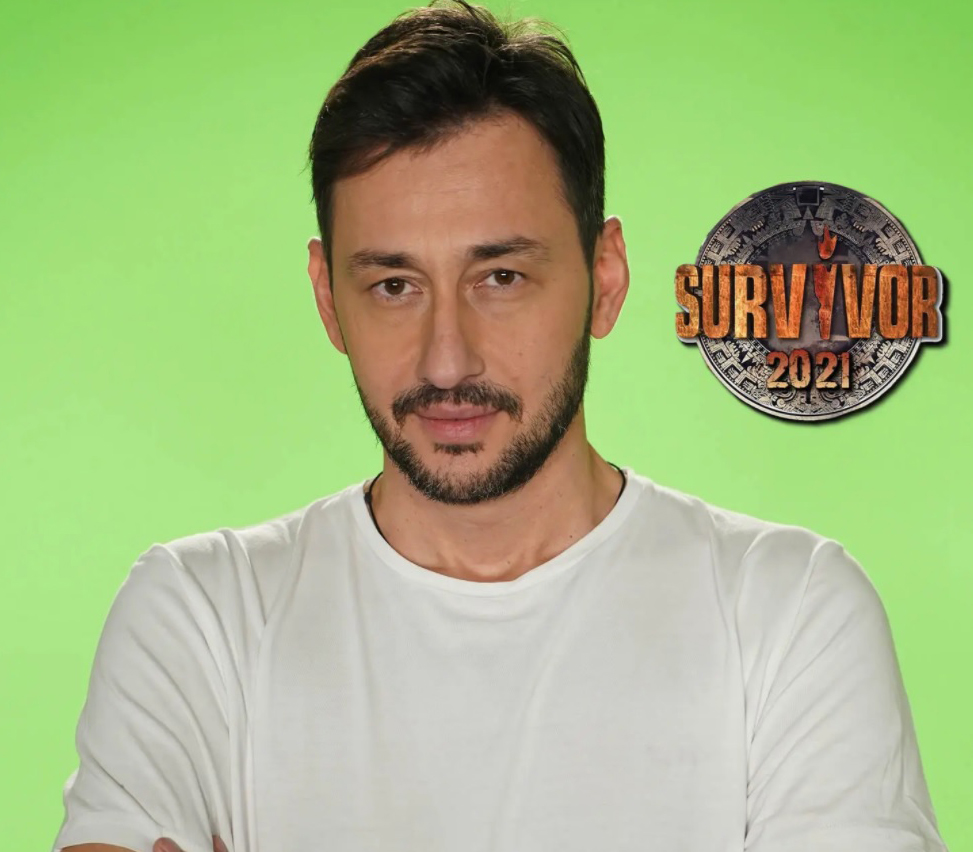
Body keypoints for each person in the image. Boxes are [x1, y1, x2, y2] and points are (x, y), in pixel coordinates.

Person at [54, 2, 949, 851]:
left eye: (501, 278)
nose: (446, 360)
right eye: (393, 285)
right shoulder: (200, 617)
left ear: (604, 278)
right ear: (328, 299)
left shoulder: (788, 614)